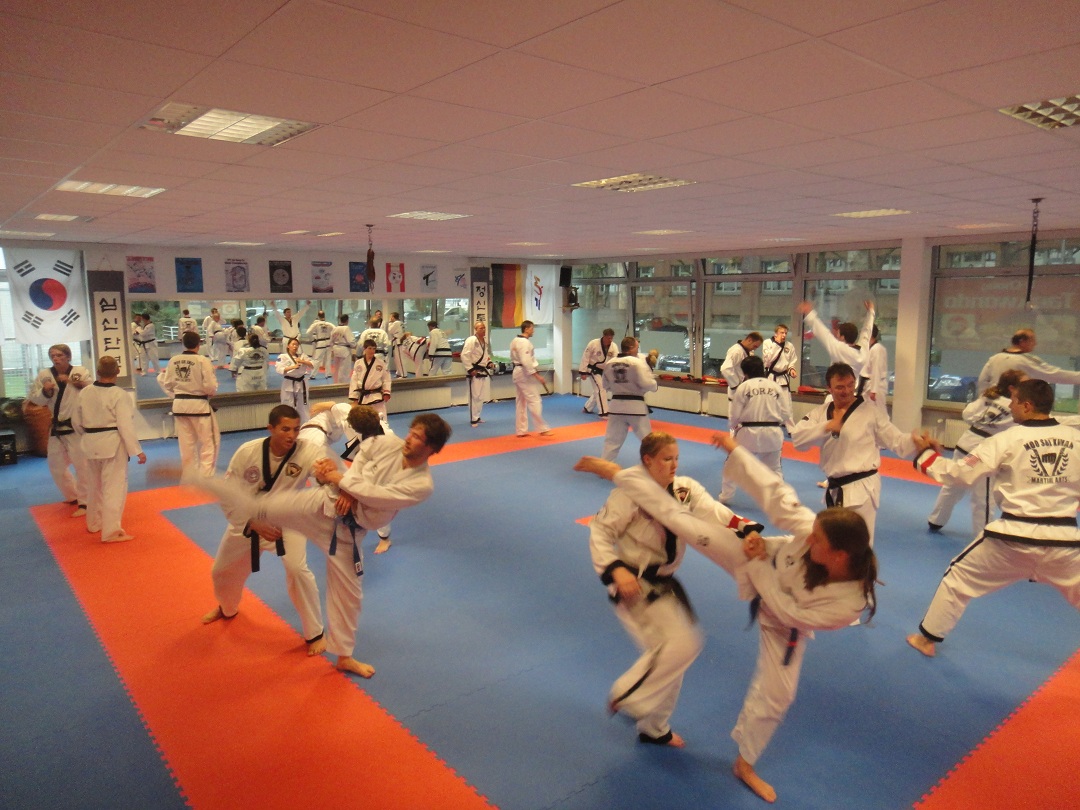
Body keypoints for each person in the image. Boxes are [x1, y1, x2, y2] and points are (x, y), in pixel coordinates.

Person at [576, 432, 878, 804]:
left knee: (778, 696)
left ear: (840, 556)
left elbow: (789, 612)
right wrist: (740, 463)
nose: (808, 538)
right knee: (684, 522)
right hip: (755, 560)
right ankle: (618, 473)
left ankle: (744, 764)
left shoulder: (849, 603)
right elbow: (776, 494)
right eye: (812, 533)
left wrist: (757, 562)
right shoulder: (813, 532)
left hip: (782, 615)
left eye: (817, 541)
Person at [180, 413, 451, 677]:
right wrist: (344, 487)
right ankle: (195, 479)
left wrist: (340, 480)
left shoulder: (421, 485)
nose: (409, 438)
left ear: (431, 448)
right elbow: (363, 454)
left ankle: (344, 656)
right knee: (261, 506)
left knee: (349, 595)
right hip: (322, 505)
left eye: (417, 437)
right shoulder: (387, 443)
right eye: (411, 432)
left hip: (349, 533)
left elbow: (377, 496)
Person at [907, 378, 1080, 659]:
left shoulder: (1005, 439)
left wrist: (925, 455)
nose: (1009, 407)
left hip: (1012, 538)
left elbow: (959, 474)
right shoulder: (1075, 439)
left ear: (1027, 406)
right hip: (1066, 542)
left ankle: (926, 640)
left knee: (958, 578)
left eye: (1014, 402)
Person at [587, 433, 706, 748]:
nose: (674, 465)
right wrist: (616, 570)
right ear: (648, 460)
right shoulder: (628, 494)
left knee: (672, 660)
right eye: (666, 459)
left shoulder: (682, 490)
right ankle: (626, 695)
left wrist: (744, 529)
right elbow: (600, 532)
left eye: (676, 458)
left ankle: (654, 727)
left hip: (663, 583)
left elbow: (712, 514)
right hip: (633, 585)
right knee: (680, 646)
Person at [199, 405, 330, 657]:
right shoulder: (247, 452)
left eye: (296, 429)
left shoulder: (307, 451)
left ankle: (316, 633)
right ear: (270, 428)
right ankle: (227, 608)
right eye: (285, 429)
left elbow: (323, 472)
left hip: (287, 521)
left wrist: (326, 475)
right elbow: (229, 495)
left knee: (297, 570)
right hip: (248, 520)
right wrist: (250, 522)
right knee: (222, 572)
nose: (292, 435)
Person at [789, 362, 915, 543]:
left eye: (850, 385)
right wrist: (827, 426)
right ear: (829, 388)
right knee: (836, 544)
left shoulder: (870, 412)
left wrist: (917, 442)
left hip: (862, 487)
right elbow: (798, 440)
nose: (846, 391)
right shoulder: (821, 413)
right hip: (835, 488)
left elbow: (897, 441)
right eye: (840, 387)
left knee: (859, 545)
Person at [927, 369, 1026, 535]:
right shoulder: (1014, 406)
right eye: (1024, 383)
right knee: (983, 496)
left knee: (954, 483)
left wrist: (983, 422)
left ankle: (936, 520)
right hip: (981, 453)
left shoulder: (989, 397)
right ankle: (983, 534)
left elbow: (967, 414)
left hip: (965, 445)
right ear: (1012, 388)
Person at [72, 355, 147, 543]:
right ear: (117, 372)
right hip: (113, 444)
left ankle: (94, 523)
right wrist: (137, 450)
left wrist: (88, 436)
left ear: (97, 372)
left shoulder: (85, 392)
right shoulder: (119, 394)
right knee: (113, 489)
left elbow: (76, 421)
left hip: (90, 443)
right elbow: (125, 425)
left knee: (94, 486)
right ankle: (111, 532)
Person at [27, 344, 92, 515]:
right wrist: (45, 391)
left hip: (76, 425)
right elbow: (35, 399)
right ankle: (73, 495)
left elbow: (91, 390)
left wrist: (72, 382)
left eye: (59, 355)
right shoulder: (44, 375)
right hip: (56, 425)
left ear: (68, 357)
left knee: (82, 465)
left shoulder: (79, 371)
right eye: (52, 355)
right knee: (55, 465)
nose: (55, 358)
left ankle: (85, 502)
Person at [720, 356, 790, 502]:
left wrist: (733, 428)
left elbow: (735, 414)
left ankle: (726, 496)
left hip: (748, 433)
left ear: (745, 373)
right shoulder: (776, 387)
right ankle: (781, 499)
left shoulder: (743, 387)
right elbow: (786, 413)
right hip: (773, 432)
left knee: (732, 465)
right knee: (774, 469)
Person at [157, 331, 219, 475]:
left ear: (183, 343)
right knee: (208, 443)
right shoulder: (202, 360)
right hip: (199, 406)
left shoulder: (173, 360)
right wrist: (210, 390)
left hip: (179, 406)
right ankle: (205, 476)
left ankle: (189, 475)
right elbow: (210, 386)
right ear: (199, 344)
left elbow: (167, 384)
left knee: (186, 444)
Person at [718, 332, 763, 501]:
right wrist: (736, 384)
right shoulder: (736, 350)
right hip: (736, 393)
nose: (755, 348)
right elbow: (725, 368)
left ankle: (738, 451)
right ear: (749, 340)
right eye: (754, 345)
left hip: (744, 393)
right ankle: (733, 450)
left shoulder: (746, 352)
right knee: (735, 427)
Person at [600, 336, 657, 461]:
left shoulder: (609, 363)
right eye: (637, 347)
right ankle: (655, 466)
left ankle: (604, 466)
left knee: (612, 441)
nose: (638, 350)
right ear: (631, 348)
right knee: (648, 441)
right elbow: (647, 383)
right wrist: (654, 384)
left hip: (616, 406)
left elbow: (605, 385)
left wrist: (619, 387)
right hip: (635, 407)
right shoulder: (637, 363)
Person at [796, 300, 876, 387]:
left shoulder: (839, 349)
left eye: (838, 333)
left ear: (843, 337)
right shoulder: (863, 351)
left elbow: (822, 332)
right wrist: (871, 312)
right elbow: (866, 331)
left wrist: (809, 312)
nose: (836, 336)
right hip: (852, 390)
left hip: (838, 388)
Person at [975, 327, 1080, 391]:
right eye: (1032, 340)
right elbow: (1054, 374)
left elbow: (982, 382)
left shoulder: (994, 358)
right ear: (1022, 341)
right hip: (1015, 406)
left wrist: (985, 400)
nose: (1035, 343)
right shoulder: (1026, 361)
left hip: (993, 405)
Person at [511, 320, 551, 437]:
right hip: (524, 373)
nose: (533, 331)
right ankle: (542, 428)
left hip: (518, 371)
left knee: (521, 402)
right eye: (532, 328)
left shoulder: (515, 340)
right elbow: (526, 361)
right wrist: (537, 376)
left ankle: (521, 430)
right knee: (535, 400)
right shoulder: (524, 342)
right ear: (527, 329)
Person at [760, 324, 798, 432]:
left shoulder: (789, 346)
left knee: (786, 405)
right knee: (768, 404)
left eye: (786, 333)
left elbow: (791, 362)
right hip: (771, 377)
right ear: (776, 333)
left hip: (783, 378)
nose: (784, 335)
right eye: (782, 333)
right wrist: (777, 344)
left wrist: (791, 369)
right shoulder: (768, 343)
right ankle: (766, 426)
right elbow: (768, 360)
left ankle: (791, 429)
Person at [348, 339, 392, 422]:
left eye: (374, 349)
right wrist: (354, 397)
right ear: (364, 349)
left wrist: (386, 392)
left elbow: (386, 379)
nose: (372, 351)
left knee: (381, 419)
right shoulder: (358, 363)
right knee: (364, 420)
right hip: (363, 397)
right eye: (369, 348)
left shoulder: (381, 363)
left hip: (376, 396)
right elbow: (354, 381)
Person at [460, 321, 494, 426]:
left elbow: (485, 356)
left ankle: (477, 416)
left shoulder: (484, 341)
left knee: (480, 396)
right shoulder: (471, 340)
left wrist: (489, 363)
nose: (483, 330)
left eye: (484, 328)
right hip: (474, 372)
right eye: (480, 328)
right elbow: (464, 355)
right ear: (476, 329)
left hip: (482, 371)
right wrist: (470, 369)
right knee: (474, 396)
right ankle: (473, 419)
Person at [579, 328, 618, 417]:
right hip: (593, 369)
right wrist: (583, 371)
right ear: (604, 336)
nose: (610, 340)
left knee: (601, 389)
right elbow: (585, 357)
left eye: (611, 338)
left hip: (605, 370)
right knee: (601, 389)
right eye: (608, 338)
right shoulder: (593, 343)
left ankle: (588, 407)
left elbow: (615, 359)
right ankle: (604, 412)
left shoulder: (614, 346)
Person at [277, 337, 315, 424]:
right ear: (288, 346)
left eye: (297, 345)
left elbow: (312, 365)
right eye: (293, 344)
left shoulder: (302, 356)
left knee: (303, 405)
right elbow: (279, 369)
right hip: (289, 383)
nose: (295, 346)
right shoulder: (283, 357)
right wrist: (293, 367)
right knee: (287, 405)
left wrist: (302, 361)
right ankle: (287, 424)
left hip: (301, 383)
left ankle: (304, 425)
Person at [863, 326, 888, 411]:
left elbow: (876, 369)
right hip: (869, 384)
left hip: (876, 386)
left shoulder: (877, 349)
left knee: (879, 413)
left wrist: (874, 390)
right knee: (870, 413)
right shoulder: (870, 348)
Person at [305, 310, 334, 379]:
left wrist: (313, 338)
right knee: (328, 359)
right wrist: (332, 339)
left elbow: (308, 332)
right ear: (324, 316)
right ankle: (328, 374)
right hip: (328, 342)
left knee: (317, 360)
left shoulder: (316, 324)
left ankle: (313, 375)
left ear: (318, 316)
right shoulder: (329, 324)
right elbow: (336, 330)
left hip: (320, 343)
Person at [329, 314, 356, 384]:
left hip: (336, 349)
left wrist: (332, 349)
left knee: (337, 369)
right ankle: (343, 384)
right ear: (347, 321)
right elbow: (351, 341)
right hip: (344, 350)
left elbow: (331, 341)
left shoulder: (335, 328)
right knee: (345, 369)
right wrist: (354, 345)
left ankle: (336, 383)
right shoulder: (346, 328)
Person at [385, 311, 406, 378]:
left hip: (398, 342)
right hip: (397, 341)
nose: (390, 318)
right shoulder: (400, 322)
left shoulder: (396, 323)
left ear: (393, 317)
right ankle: (399, 372)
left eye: (390, 317)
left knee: (399, 358)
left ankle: (404, 374)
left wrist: (390, 323)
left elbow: (390, 330)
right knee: (397, 358)